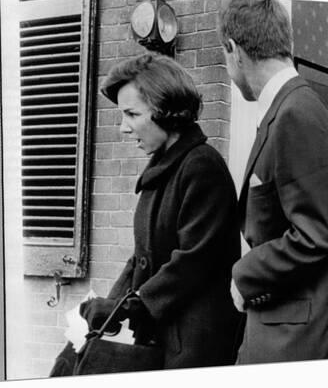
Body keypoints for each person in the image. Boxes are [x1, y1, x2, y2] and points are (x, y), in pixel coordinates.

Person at [218, 0, 328, 363]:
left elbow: (316, 235)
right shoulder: (299, 108)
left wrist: (244, 274)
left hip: (297, 343)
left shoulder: (295, 114)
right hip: (288, 333)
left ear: (234, 50)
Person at [79, 53, 242, 370]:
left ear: (166, 111)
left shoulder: (202, 166)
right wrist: (113, 304)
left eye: (131, 114)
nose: (124, 129)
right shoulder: (162, 169)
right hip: (164, 335)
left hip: (195, 343)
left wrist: (134, 306)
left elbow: (195, 259)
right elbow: (141, 257)